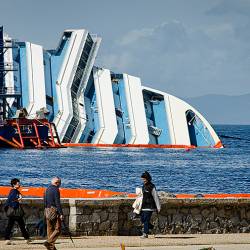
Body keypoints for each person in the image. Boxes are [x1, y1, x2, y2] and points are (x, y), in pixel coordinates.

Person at [4, 178, 31, 245]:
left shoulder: (13, 191)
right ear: (14, 184)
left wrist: (19, 198)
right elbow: (12, 200)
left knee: (10, 225)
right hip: (16, 212)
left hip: (13, 212)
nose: (19, 185)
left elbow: (9, 200)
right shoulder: (14, 191)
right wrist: (19, 199)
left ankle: (7, 239)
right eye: (18, 184)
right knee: (21, 225)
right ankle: (27, 238)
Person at [43, 177, 63, 250]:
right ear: (57, 183)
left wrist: (45, 210)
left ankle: (51, 248)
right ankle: (48, 242)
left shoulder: (47, 189)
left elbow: (44, 201)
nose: (60, 185)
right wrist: (61, 213)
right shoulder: (56, 190)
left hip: (47, 210)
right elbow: (58, 202)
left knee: (50, 229)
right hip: (54, 210)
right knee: (58, 229)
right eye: (60, 183)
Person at [140, 171, 160, 238]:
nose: (143, 180)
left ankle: (145, 234)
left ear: (148, 178)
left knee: (146, 220)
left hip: (150, 206)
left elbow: (155, 196)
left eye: (144, 179)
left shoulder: (152, 186)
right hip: (143, 206)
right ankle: (152, 227)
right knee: (142, 219)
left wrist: (158, 207)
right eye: (142, 179)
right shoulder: (143, 186)